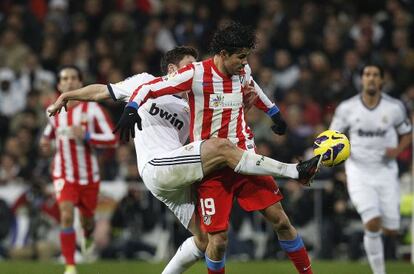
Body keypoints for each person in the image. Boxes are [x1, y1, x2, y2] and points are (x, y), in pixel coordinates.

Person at [48, 45, 320, 274]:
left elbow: (219, 125)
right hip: (157, 166)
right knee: (222, 149)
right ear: (172, 71)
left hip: (182, 171)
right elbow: (101, 91)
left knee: (205, 240)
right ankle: (294, 171)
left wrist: (244, 103)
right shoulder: (142, 82)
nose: (195, 71)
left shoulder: (196, 101)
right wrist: (69, 96)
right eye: (189, 66)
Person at [116, 22, 315, 274]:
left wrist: (275, 114)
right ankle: (295, 171)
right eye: (240, 57)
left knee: (281, 221)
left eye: (246, 57)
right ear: (223, 55)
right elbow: (150, 87)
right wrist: (132, 108)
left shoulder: (242, 71)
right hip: (212, 168)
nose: (244, 63)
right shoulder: (195, 74)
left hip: (245, 158)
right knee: (218, 241)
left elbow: (255, 87)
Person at [330, 64, 412, 274]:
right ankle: (379, 272)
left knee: (391, 229)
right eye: (367, 75)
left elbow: (407, 132)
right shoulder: (347, 108)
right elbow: (332, 137)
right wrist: (335, 161)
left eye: (376, 75)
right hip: (359, 172)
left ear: (382, 81)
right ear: (361, 80)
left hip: (386, 171)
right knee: (372, 221)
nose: (371, 78)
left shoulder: (394, 108)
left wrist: (398, 150)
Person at [40, 65, 118, 274]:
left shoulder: (93, 110)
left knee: (87, 220)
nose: (70, 82)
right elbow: (49, 133)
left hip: (89, 176)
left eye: (74, 78)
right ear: (59, 84)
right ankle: (70, 265)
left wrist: (86, 136)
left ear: (81, 83)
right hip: (63, 173)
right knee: (66, 215)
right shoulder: (53, 110)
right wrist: (45, 142)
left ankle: (88, 235)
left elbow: (113, 139)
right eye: (65, 78)